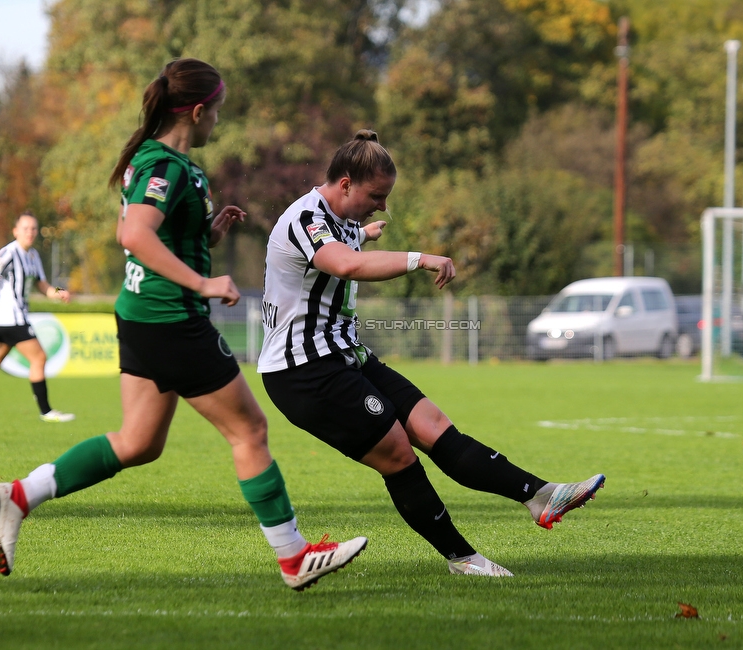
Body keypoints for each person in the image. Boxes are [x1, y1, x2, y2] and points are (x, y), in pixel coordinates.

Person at [0, 58, 366, 591]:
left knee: (138, 443)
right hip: (171, 320)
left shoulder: (166, 163)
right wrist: (204, 283)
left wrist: (208, 232)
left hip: (143, 316)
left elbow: (155, 236)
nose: (219, 123)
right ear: (198, 110)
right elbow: (135, 236)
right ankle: (293, 557)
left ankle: (19, 496)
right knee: (250, 430)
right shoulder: (165, 166)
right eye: (218, 112)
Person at [258, 130, 605, 577]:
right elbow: (344, 263)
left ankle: (540, 495)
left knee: (435, 427)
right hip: (304, 370)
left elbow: (344, 245)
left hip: (346, 354)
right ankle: (464, 560)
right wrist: (420, 258)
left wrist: (364, 232)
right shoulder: (306, 216)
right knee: (399, 454)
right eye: (377, 196)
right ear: (345, 184)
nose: (384, 205)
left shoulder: (338, 219)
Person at [0, 211, 75, 423]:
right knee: (39, 358)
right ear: (16, 231)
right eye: (25, 228)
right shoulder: (9, 253)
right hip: (11, 318)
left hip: (9, 320)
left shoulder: (33, 256)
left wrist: (58, 293)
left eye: (33, 229)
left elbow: (43, 286)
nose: (30, 233)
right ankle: (46, 412)